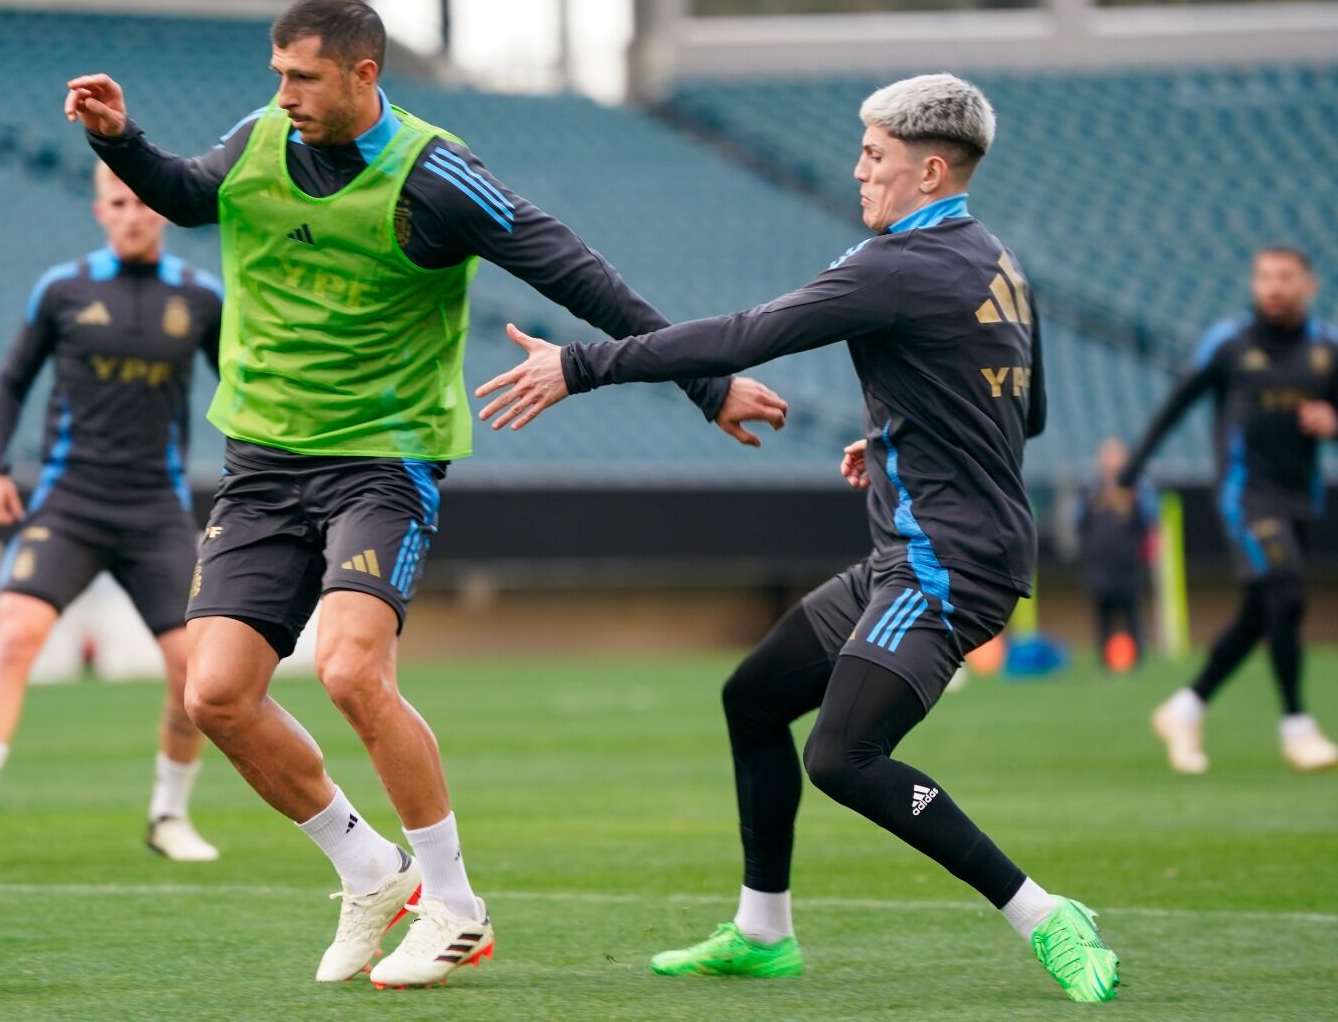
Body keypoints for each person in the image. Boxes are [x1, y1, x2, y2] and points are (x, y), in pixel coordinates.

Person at [63, 0, 784, 987]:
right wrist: (120, 140)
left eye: (303, 77)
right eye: (276, 74)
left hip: (382, 459)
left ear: (365, 74)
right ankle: (367, 869)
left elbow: (580, 276)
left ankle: (453, 904)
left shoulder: (438, 175)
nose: (283, 95)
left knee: (353, 670)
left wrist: (706, 385)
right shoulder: (260, 135)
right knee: (216, 693)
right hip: (264, 463)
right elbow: (188, 194)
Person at [477, 73, 1120, 1003]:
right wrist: (903, 429)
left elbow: (745, 334)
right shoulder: (997, 260)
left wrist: (582, 365)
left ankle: (1045, 914)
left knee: (842, 758)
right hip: (919, 550)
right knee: (754, 699)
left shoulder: (893, 266)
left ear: (930, 170)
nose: (859, 171)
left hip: (946, 565)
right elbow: (1032, 409)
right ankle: (763, 931)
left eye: (876, 157)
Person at [0, 164, 225, 861]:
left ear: (163, 212)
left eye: (144, 202)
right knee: (16, 632)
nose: (133, 213)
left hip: (155, 508)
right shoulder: (61, 289)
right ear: (99, 210)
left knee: (195, 669)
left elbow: (241, 389)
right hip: (70, 501)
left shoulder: (203, 298)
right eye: (119, 202)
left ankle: (169, 816)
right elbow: (10, 382)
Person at [1123, 247, 1337, 773]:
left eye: (1285, 277)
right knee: (1286, 591)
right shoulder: (1230, 342)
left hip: (1299, 497)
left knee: (1261, 612)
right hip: (1246, 496)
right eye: (1265, 276)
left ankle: (1185, 706)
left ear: (1308, 284)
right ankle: (1296, 724)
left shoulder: (1326, 347)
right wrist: (1131, 471)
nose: (1273, 287)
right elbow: (1176, 404)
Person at [1075, 439, 1157, 670]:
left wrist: (1131, 501)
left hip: (1129, 566)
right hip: (1099, 566)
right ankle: (1104, 663)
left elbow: (1150, 519)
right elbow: (1078, 523)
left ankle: (1137, 662)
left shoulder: (1140, 489)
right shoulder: (1089, 490)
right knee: (1103, 617)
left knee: (1132, 614)